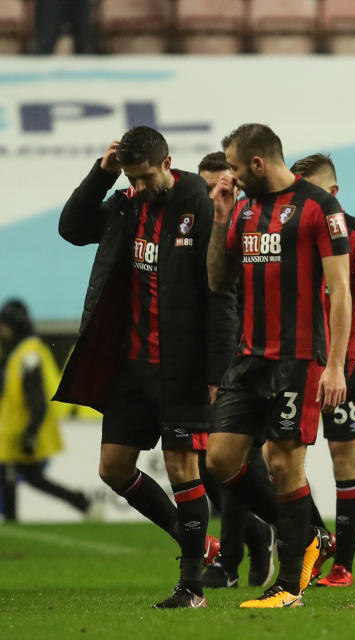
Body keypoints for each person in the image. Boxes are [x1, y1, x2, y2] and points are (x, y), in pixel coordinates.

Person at [55, 127, 236, 608]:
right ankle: (200, 543)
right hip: (131, 367)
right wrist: (102, 175)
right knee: (113, 470)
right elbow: (72, 228)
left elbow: (220, 293)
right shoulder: (125, 205)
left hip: (182, 366)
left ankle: (193, 585)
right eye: (130, 177)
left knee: (183, 467)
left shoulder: (196, 203)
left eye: (144, 176)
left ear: (168, 163)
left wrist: (218, 371)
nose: (137, 186)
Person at [205, 123, 352, 609]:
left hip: (298, 359)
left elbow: (341, 290)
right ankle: (309, 533)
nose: (231, 177)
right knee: (221, 458)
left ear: (258, 163)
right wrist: (221, 218)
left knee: (284, 462)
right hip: (249, 357)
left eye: (233, 166)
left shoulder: (317, 207)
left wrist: (334, 365)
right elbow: (217, 280)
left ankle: (289, 585)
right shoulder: (242, 208)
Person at [290, 153, 355, 587]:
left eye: (307, 190)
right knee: (278, 456)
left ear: (331, 193)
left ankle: (343, 566)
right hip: (298, 360)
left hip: (344, 366)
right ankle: (318, 535)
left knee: (343, 458)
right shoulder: (294, 233)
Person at [196, 152, 278, 590]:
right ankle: (258, 532)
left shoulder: (249, 226)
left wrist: (220, 372)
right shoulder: (202, 227)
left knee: (235, 458)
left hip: (246, 361)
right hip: (204, 359)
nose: (214, 196)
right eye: (207, 188)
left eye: (222, 187)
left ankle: (228, 563)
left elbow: (226, 304)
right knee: (209, 462)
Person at [0, 299, 91, 521]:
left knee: (11, 474)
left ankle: (12, 521)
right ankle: (79, 500)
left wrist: (30, 433)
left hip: (18, 430)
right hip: (15, 429)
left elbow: (36, 399)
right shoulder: (23, 351)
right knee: (32, 477)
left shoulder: (28, 354)